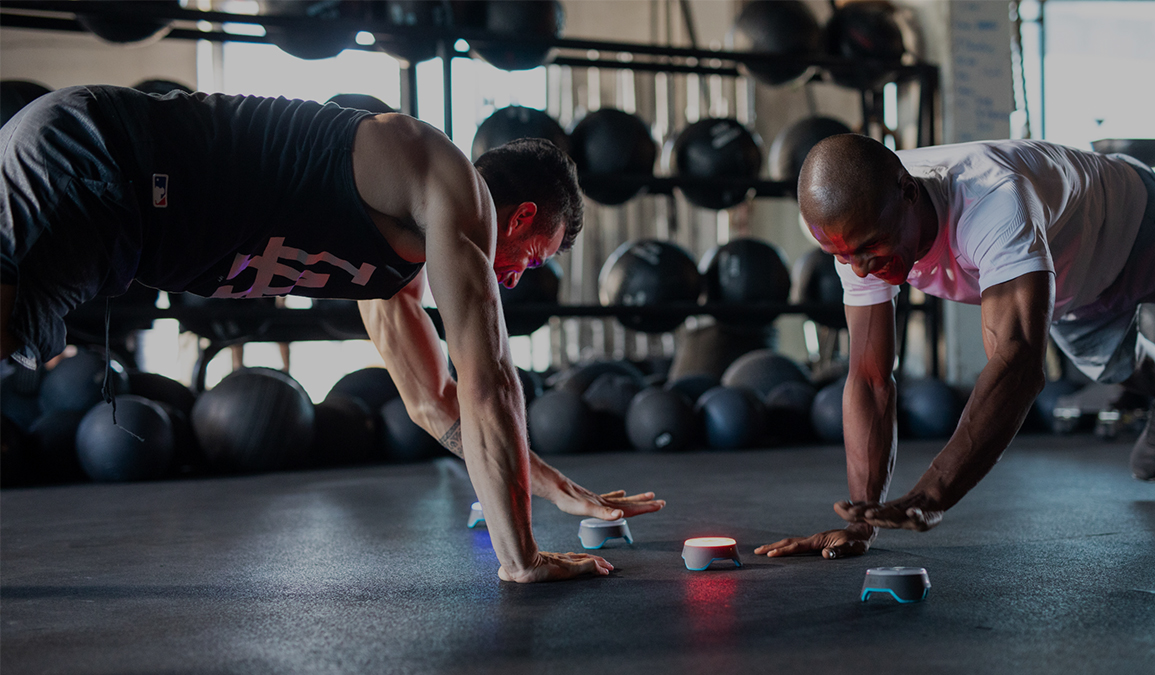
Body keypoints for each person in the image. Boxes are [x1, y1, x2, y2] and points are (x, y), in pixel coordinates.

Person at [0, 84, 664, 582]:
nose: (517, 280)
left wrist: (553, 484)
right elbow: (490, 381)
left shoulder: (395, 267)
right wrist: (523, 558)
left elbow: (438, 405)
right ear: (519, 216)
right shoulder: (448, 183)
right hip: (101, 157)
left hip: (109, 207)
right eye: (534, 257)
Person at [757, 134, 1155, 560]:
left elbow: (1017, 363)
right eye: (844, 256)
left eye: (872, 247)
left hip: (1143, 227)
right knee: (1116, 366)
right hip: (1072, 283)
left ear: (909, 193)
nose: (862, 267)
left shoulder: (993, 201)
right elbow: (870, 379)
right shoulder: (853, 230)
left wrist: (933, 492)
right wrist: (862, 522)